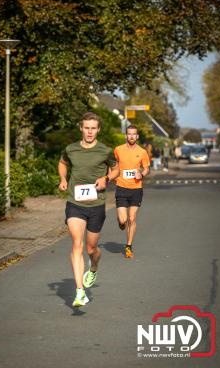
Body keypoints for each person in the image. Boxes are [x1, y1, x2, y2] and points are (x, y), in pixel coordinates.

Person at [58, 112, 119, 307]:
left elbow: (116, 168)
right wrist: (63, 179)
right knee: (77, 244)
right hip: (75, 203)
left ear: (98, 129)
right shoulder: (71, 149)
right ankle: (79, 292)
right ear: (81, 128)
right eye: (86, 128)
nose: (90, 131)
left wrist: (106, 179)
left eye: (93, 128)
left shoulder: (105, 151)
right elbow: (62, 162)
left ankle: (93, 267)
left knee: (91, 248)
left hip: (96, 205)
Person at [114, 125, 150, 258]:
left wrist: (142, 174)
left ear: (137, 136)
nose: (132, 136)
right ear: (126, 136)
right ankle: (121, 222)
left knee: (132, 218)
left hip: (136, 189)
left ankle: (128, 246)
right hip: (121, 187)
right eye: (129, 134)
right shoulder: (118, 150)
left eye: (134, 134)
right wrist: (112, 176)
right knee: (123, 220)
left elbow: (146, 168)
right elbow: (113, 165)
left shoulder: (142, 152)